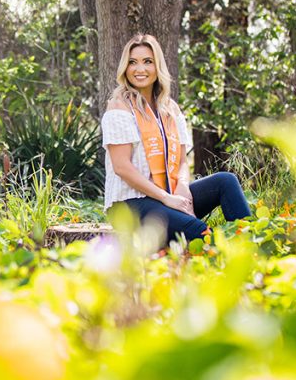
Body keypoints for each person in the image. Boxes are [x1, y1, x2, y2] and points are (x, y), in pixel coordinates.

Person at [101, 33, 251, 245]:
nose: (140, 69)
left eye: (148, 62)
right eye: (133, 62)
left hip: (168, 194)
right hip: (130, 203)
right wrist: (165, 198)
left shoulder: (170, 109)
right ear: (125, 68)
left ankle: (253, 244)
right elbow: (122, 167)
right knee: (198, 231)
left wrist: (182, 187)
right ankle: (230, 265)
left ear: (157, 67)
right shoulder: (120, 107)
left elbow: (181, 160)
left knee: (225, 181)